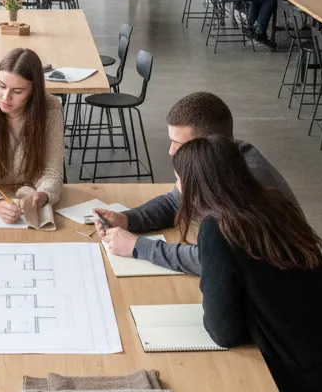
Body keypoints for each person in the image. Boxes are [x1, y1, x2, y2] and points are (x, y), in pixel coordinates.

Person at [172, 135, 322, 392]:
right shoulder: (273, 205)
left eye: (178, 178)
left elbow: (223, 332)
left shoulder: (219, 229)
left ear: (196, 184)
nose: (176, 185)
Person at [95, 92, 297, 275]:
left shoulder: (245, 184)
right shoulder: (218, 163)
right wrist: (127, 220)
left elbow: (213, 260)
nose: (171, 151)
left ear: (207, 144)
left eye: (179, 144)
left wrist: (138, 247)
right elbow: (175, 202)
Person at [0, 47, 64, 224]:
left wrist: (42, 196)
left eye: (17, 91)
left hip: (31, 200)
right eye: (1, 86)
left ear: (33, 90)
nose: (5, 97)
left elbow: (52, 171)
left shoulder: (51, 110)